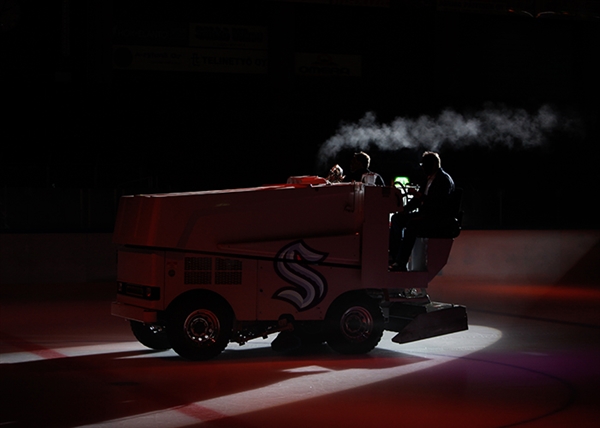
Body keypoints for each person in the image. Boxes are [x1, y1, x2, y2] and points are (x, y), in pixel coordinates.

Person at [389, 151, 455, 271]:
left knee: (412, 225)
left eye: (425, 164)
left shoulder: (444, 180)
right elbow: (417, 201)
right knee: (396, 219)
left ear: (434, 164)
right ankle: (394, 256)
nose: (423, 167)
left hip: (437, 217)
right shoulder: (428, 179)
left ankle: (401, 261)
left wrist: (419, 195)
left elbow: (438, 203)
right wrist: (404, 210)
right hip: (426, 215)